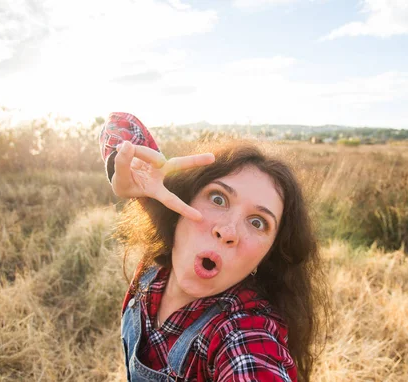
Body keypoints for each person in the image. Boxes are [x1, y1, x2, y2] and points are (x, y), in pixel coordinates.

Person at [99, 112, 330, 382]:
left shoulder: (244, 332)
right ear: (182, 201)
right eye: (218, 199)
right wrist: (128, 168)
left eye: (257, 222)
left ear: (267, 255)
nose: (227, 231)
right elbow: (120, 124)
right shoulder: (167, 241)